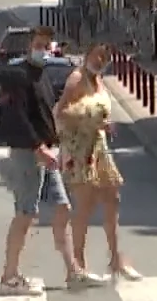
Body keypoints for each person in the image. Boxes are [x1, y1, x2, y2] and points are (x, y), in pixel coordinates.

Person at [0, 26, 86, 293]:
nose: (43, 50)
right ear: (28, 46)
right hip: (28, 153)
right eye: (38, 45)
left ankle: (73, 272)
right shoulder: (18, 76)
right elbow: (17, 117)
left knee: (62, 208)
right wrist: (38, 148)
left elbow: (48, 113)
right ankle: (9, 277)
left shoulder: (42, 76)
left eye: (47, 46)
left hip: (47, 152)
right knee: (26, 212)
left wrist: (60, 145)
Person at [57, 42, 140, 283]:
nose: (101, 60)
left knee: (113, 197)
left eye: (106, 57)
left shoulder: (98, 80)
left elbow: (99, 110)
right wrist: (90, 119)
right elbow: (60, 112)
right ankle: (78, 266)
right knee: (84, 205)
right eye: (98, 55)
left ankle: (116, 259)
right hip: (79, 149)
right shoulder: (76, 79)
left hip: (98, 146)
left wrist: (104, 124)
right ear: (88, 54)